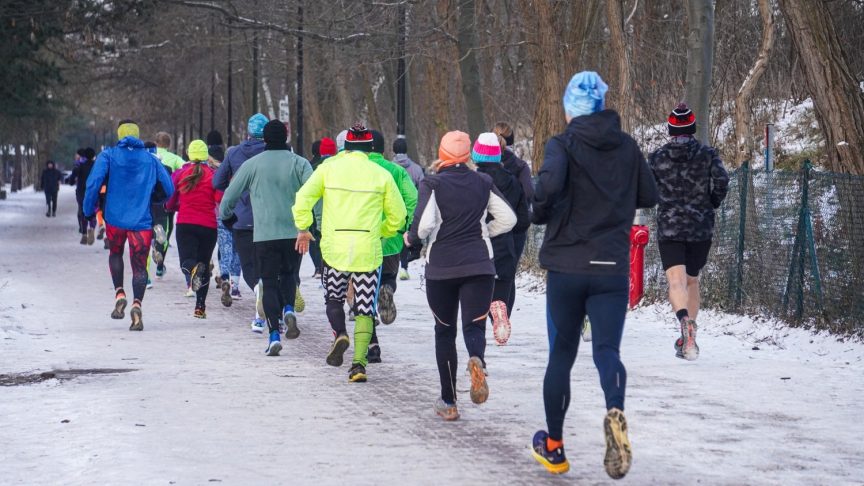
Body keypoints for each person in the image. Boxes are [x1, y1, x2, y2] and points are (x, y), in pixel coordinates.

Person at [529, 71, 657, 479]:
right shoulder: (627, 146)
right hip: (610, 267)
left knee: (561, 356)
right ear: (602, 106)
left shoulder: (562, 145)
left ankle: (555, 447)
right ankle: (615, 409)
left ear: (570, 110)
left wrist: (541, 211)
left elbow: (546, 188)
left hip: (567, 266)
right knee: (606, 351)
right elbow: (650, 195)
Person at [404, 130, 517, 421]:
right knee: (474, 326)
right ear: (468, 156)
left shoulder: (433, 184)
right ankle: (477, 359)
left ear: (442, 154)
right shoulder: (483, 181)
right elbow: (509, 218)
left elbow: (423, 226)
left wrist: (410, 240)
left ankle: (449, 401)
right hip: (479, 264)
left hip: (441, 266)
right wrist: (484, 234)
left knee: (444, 331)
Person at [293, 123, 406, 383]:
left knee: (333, 299)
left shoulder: (328, 169)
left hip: (335, 248)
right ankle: (359, 365)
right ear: (369, 148)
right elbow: (398, 216)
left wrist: (303, 227)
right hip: (368, 248)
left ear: (345, 147)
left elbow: (303, 198)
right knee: (365, 308)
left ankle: (340, 332)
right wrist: (382, 230)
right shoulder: (381, 175)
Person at [220, 120, 312, 356]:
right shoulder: (299, 163)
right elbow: (315, 194)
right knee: (290, 275)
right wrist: (314, 224)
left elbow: (229, 196)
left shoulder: (252, 165)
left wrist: (228, 217)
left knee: (269, 282)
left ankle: (273, 335)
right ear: (286, 137)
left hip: (264, 235)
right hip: (294, 233)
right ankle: (289, 309)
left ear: (265, 139)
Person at [648, 103, 729, 361]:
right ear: (693, 128)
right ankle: (690, 333)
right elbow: (722, 181)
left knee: (676, 281)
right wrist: (712, 201)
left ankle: (683, 320)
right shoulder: (708, 154)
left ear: (670, 129)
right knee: (692, 280)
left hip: (670, 227)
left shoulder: (657, 158)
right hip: (700, 227)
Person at [83, 119, 174, 331]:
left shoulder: (108, 155)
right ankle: (137, 305)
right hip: (141, 221)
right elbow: (168, 189)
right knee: (140, 265)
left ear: (119, 135)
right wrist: (155, 199)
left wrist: (88, 210)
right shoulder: (150, 159)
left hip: (114, 219)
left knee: (115, 254)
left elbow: (93, 183)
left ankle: (119, 293)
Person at [364, 130, 418, 363]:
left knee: (362, 292)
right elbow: (413, 198)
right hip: (392, 239)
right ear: (384, 149)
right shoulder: (396, 170)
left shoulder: (358, 171)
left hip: (363, 239)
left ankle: (372, 344)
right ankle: (387, 288)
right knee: (387, 275)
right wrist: (406, 226)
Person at [471, 133, 530, 346]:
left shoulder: (474, 181)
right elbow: (523, 218)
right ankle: (501, 314)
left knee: (480, 288)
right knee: (504, 284)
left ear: (476, 156)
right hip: (506, 243)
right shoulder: (513, 181)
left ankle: (489, 317)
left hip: (478, 245)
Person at [213, 113, 269, 332]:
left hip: (242, 218)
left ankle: (257, 291)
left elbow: (217, 182)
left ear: (247, 131)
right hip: (269, 219)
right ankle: (278, 311)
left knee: (248, 265)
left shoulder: (234, 153)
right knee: (270, 264)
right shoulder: (273, 154)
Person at [164, 140, 222, 318]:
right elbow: (220, 198)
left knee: (186, 263)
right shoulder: (213, 175)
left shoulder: (181, 173)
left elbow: (171, 197)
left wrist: (170, 208)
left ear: (189, 154)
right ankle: (200, 307)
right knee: (204, 265)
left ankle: (193, 269)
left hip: (186, 224)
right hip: (208, 226)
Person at [493, 122, 533, 315]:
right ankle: (504, 315)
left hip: (491, 226)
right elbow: (529, 194)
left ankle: (490, 311)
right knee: (509, 274)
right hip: (516, 227)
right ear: (513, 141)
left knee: (489, 270)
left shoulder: (485, 166)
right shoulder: (520, 166)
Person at [207, 130, 241, 306]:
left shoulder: (217, 168)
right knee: (238, 249)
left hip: (220, 211)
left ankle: (225, 275)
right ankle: (235, 286)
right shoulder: (240, 171)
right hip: (240, 212)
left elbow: (215, 187)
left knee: (225, 246)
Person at [151, 132, 185, 278]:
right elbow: (185, 169)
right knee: (166, 228)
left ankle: (153, 241)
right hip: (167, 199)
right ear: (169, 145)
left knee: (151, 223)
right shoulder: (175, 158)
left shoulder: (149, 156)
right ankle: (160, 264)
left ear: (155, 142)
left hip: (151, 198)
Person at [391, 137, 424, 281]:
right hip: (411, 207)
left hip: (393, 207)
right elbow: (423, 188)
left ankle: (394, 266)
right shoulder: (416, 168)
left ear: (393, 150)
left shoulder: (389, 167)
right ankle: (404, 267)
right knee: (406, 235)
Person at [306, 137, 337, 277]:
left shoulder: (311, 168)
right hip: (336, 213)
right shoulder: (340, 166)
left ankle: (319, 267)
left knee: (315, 240)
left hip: (315, 212)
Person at [66, 148, 97, 244]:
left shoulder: (80, 166)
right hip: (93, 192)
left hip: (82, 192)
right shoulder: (96, 166)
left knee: (83, 212)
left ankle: (84, 233)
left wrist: (71, 181)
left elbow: (73, 177)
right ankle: (92, 227)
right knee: (93, 212)